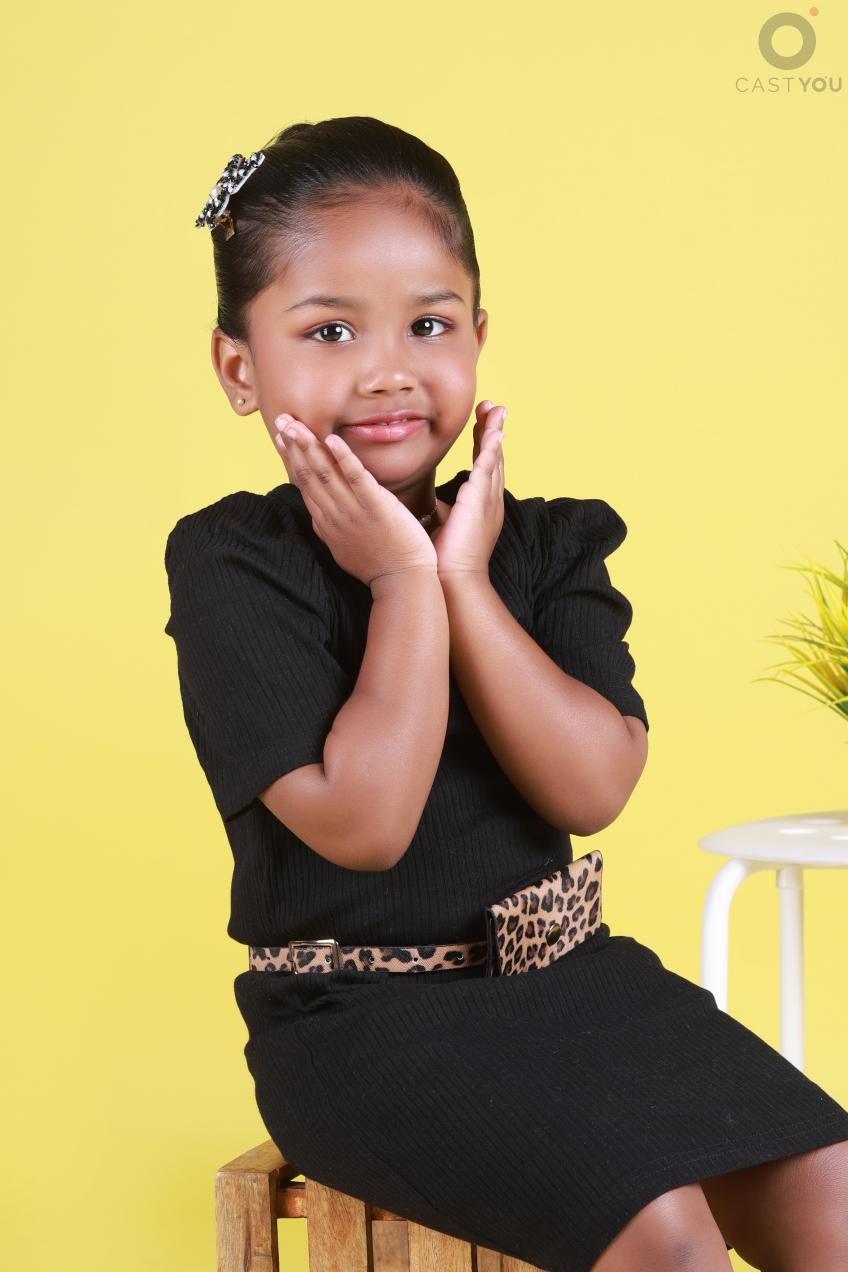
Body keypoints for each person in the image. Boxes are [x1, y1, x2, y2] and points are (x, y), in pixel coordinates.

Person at [163, 116, 848, 1272]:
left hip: (576, 984)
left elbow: (591, 788)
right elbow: (366, 825)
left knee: (832, 1186)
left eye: (428, 325)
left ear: (478, 335)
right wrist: (399, 582)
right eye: (329, 331)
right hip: (361, 1026)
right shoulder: (235, 564)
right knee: (665, 1236)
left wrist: (463, 581)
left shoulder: (547, 544)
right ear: (241, 369)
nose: (387, 369)